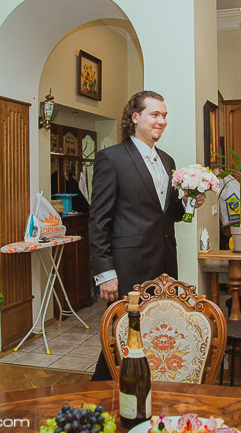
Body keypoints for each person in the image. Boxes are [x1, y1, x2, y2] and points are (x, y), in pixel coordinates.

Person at [89, 90, 204, 380]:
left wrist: (189, 201)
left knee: (156, 333)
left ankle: (148, 389)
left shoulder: (167, 161)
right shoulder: (111, 158)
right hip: (129, 267)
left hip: (165, 264)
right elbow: (99, 220)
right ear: (135, 116)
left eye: (164, 115)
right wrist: (105, 273)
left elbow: (168, 213)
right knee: (123, 336)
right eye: (155, 114)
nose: (161, 121)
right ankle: (101, 394)